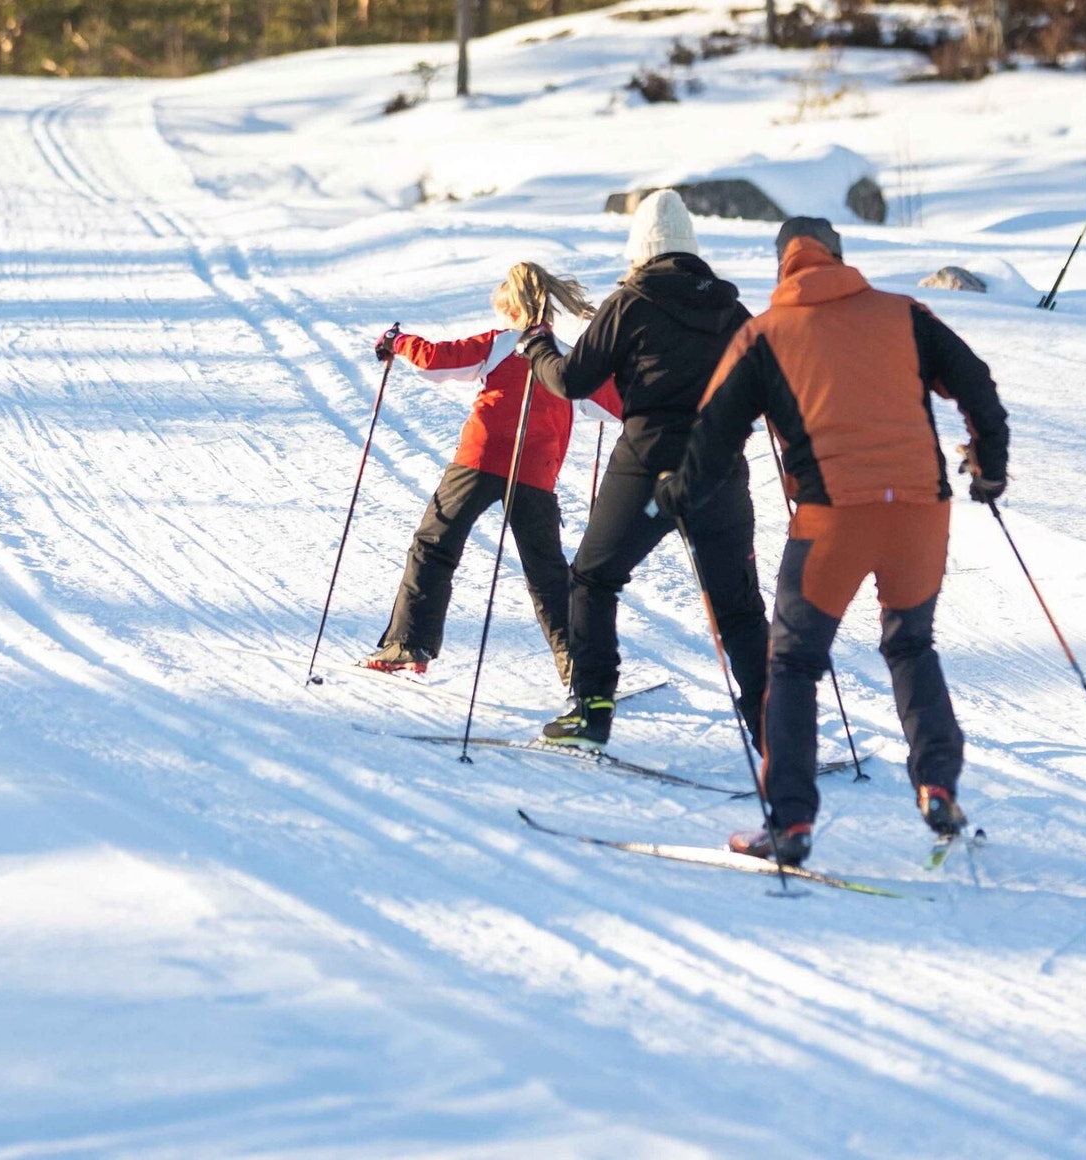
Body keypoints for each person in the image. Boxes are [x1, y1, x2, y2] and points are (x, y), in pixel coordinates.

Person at [654, 216, 1009, 865]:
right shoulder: (904, 313)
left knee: (791, 663)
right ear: (840, 258)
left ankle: (790, 823)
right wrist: (989, 466)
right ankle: (937, 783)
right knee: (911, 645)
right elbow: (977, 383)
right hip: (920, 513)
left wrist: (675, 494)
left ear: (782, 266)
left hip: (833, 518)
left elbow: (711, 433)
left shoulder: (765, 334)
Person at [521, 189, 769, 747]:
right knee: (739, 606)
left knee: (593, 578)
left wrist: (537, 345)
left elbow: (571, 381)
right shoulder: (732, 310)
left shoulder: (631, 300)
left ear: (641, 249)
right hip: (720, 470)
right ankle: (772, 726)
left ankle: (593, 710)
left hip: (649, 466)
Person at [365, 263, 619, 684]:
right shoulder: (571, 360)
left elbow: (435, 361)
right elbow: (615, 404)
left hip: (479, 459)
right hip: (536, 470)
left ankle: (408, 643)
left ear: (514, 311)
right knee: (547, 572)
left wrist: (397, 341)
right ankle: (578, 665)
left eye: (505, 312)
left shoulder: (500, 343)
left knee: (435, 544)